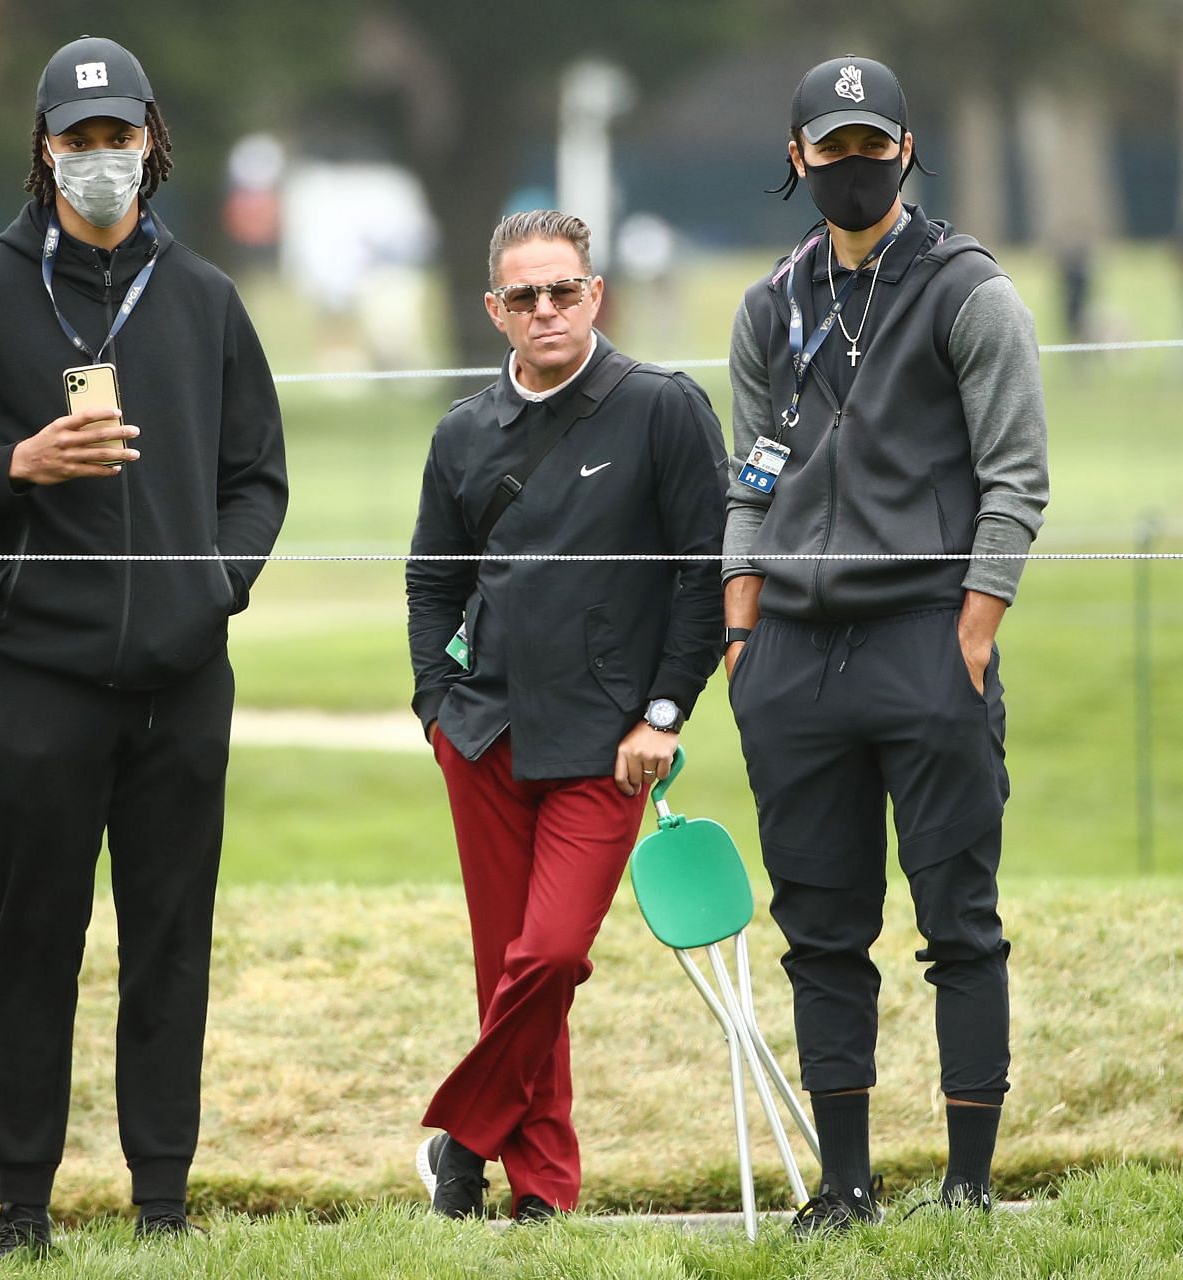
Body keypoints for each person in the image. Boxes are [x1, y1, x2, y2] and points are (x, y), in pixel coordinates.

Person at [0, 36, 287, 1255]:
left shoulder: (208, 299)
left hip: (183, 681)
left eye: (120, 138)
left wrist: (214, 589)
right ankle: (23, 1200)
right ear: (43, 148)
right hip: (42, 680)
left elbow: (257, 477)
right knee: (37, 939)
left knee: (168, 940)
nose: (102, 159)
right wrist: (17, 465)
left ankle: (161, 1195)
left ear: (152, 141)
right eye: (80, 139)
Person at [724, 56, 1050, 1232]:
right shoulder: (769, 304)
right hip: (793, 656)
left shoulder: (972, 293)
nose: (854, 166)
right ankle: (846, 1185)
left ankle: (968, 1183)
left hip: (928, 637)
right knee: (820, 925)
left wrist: (975, 626)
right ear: (796, 159)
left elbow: (1017, 475)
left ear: (908, 151)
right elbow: (750, 471)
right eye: (832, 148)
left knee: (957, 916)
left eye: (874, 145)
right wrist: (738, 621)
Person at [406, 210, 727, 1221]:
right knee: (508, 973)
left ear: (597, 295)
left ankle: (463, 1133)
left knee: (548, 957)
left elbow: (701, 577)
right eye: (524, 296)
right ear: (495, 310)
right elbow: (429, 586)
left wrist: (665, 710)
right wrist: (434, 708)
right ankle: (542, 1192)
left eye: (564, 290)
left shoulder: (664, 408)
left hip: (610, 745)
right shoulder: (461, 434)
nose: (546, 309)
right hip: (486, 737)